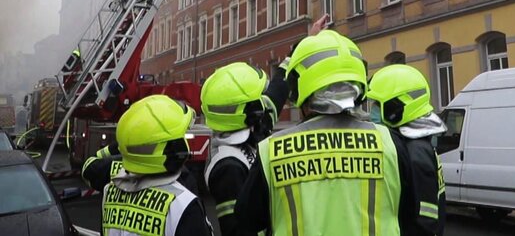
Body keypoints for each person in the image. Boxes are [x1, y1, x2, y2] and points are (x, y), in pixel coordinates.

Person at [235, 30, 410, 235]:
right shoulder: (391, 144)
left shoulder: (272, 151)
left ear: (298, 89)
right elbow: (411, 218)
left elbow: (245, 223)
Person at [81, 95, 211, 236]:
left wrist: (125, 144)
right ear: (172, 148)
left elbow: (89, 168)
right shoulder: (182, 205)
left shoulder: (111, 188)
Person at [201, 62, 288, 236]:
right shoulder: (227, 168)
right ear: (249, 112)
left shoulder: (247, 130)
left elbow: (275, 96)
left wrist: (291, 60)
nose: (263, 106)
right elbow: (238, 229)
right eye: (258, 101)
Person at [366, 64, 447, 236]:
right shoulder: (417, 144)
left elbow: (424, 222)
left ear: (395, 108)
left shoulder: (415, 152)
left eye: (377, 104)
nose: (372, 111)